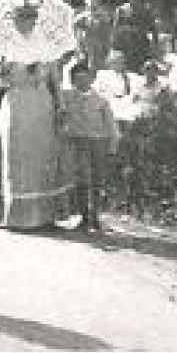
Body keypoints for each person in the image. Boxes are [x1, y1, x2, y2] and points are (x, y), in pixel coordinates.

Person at [0, 0, 70, 231]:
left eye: (30, 17)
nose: (26, 22)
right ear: (13, 21)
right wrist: (2, 71)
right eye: (21, 18)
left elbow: (56, 80)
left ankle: (43, 216)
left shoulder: (48, 47)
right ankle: (15, 216)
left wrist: (60, 106)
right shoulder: (5, 47)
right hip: (16, 104)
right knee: (18, 156)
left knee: (42, 156)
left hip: (41, 104)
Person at [59, 62, 119, 233]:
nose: (81, 82)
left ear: (91, 79)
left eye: (85, 78)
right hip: (78, 142)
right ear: (71, 81)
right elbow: (59, 114)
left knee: (97, 181)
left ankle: (96, 217)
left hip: (98, 142)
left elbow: (111, 126)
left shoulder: (101, 100)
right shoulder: (67, 97)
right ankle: (84, 217)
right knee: (82, 179)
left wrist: (113, 146)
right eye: (76, 79)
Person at [111, 0, 160, 72]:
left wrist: (155, 43)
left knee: (143, 67)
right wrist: (115, 45)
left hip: (142, 43)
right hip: (126, 44)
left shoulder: (146, 10)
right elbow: (116, 28)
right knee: (127, 67)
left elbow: (153, 28)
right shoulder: (121, 10)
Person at [73, 0, 116, 72]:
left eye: (96, 2)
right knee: (87, 69)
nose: (94, 5)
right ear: (87, 4)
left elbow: (110, 30)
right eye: (92, 3)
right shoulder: (82, 17)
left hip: (102, 48)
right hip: (87, 49)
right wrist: (79, 47)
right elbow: (76, 32)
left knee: (103, 70)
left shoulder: (105, 16)